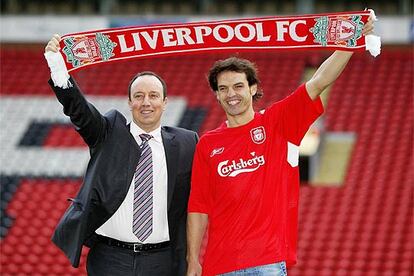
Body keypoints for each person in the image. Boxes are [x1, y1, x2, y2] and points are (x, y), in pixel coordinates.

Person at [186, 18, 375, 276]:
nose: (232, 94)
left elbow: (319, 80)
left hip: (268, 264)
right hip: (220, 266)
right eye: (224, 88)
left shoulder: (278, 122)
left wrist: (350, 42)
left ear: (253, 89)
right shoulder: (207, 144)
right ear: (217, 95)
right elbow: (198, 207)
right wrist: (193, 259)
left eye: (239, 86)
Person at [44, 35, 198, 276]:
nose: (146, 102)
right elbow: (79, 111)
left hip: (162, 261)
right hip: (110, 259)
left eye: (153, 96)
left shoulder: (188, 142)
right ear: (129, 102)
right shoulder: (109, 132)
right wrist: (56, 65)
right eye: (139, 96)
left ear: (165, 102)